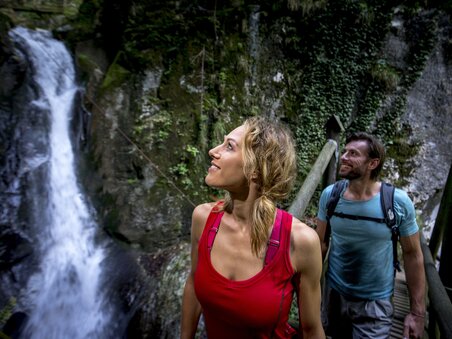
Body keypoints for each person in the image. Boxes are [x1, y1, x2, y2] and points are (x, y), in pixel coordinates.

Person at [180, 116, 325, 339]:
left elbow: (312, 329)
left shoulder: (300, 241)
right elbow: (193, 282)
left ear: (256, 169)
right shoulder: (203, 217)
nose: (212, 150)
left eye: (229, 146)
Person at [315, 132, 426, 339]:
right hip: (334, 295)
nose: (345, 156)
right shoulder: (330, 195)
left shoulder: (397, 202)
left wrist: (417, 313)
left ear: (372, 163)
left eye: (353, 153)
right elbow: (320, 243)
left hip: (375, 303)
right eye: (345, 151)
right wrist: (306, 290)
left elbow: (413, 255)